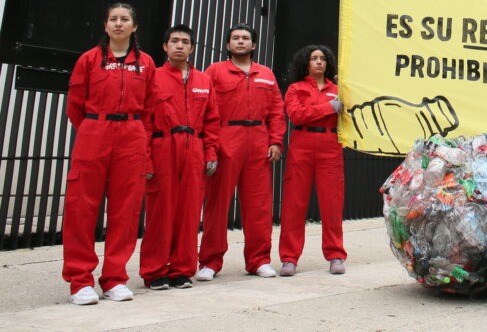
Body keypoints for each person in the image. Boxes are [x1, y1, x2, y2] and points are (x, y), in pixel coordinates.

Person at [63, 2, 157, 305]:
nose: (118, 23)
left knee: (126, 210)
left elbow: (151, 109)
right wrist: (94, 128)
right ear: (105, 26)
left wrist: (139, 139)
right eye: (113, 19)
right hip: (94, 131)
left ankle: (114, 277)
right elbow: (75, 105)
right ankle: (80, 280)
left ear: (134, 26)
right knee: (81, 208)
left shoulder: (147, 64)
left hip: (131, 135)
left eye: (124, 19)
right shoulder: (89, 60)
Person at [197, 23, 285, 280]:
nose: (240, 41)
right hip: (226, 139)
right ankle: (210, 262)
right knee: (217, 204)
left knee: (259, 205)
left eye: (245, 38)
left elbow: (277, 111)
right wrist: (210, 147)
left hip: (258, 141)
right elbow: (206, 111)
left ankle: (259, 260)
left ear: (254, 45)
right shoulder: (214, 72)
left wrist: (275, 141)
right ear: (227, 45)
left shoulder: (266, 74)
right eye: (235, 38)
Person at [139, 25, 220, 290]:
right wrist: (146, 159)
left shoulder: (204, 81)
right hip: (164, 147)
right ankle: (154, 271)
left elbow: (212, 120)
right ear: (165, 46)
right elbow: (145, 121)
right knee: (160, 211)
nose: (180, 46)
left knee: (188, 211)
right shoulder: (153, 77)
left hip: (194, 148)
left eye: (185, 42)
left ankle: (182, 270)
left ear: (192, 48)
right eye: (174, 41)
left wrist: (210, 152)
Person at [278, 45, 347, 275]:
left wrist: (346, 85)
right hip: (302, 145)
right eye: (313, 58)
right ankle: (289, 257)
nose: (319, 62)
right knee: (294, 203)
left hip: (330, 146)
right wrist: (327, 107)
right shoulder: (295, 88)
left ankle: (336, 254)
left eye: (323, 58)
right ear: (305, 63)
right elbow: (297, 115)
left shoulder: (339, 89)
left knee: (332, 203)